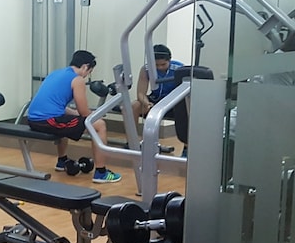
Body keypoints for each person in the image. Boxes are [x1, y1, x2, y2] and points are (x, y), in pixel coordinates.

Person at [26, 50, 121, 184]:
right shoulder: (77, 80)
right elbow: (84, 112)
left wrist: (76, 113)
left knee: (65, 118)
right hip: (48, 121)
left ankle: (62, 161)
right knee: (99, 125)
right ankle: (101, 173)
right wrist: (95, 116)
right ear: (85, 67)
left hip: (33, 120)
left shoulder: (55, 74)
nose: (87, 75)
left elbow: (59, 107)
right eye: (89, 71)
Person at [132, 44, 185, 155]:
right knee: (134, 106)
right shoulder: (146, 69)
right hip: (156, 100)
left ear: (169, 60)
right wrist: (146, 103)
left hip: (174, 102)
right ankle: (132, 142)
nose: (160, 67)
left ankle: (186, 147)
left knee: (187, 110)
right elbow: (140, 93)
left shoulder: (179, 69)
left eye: (163, 64)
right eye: (156, 65)